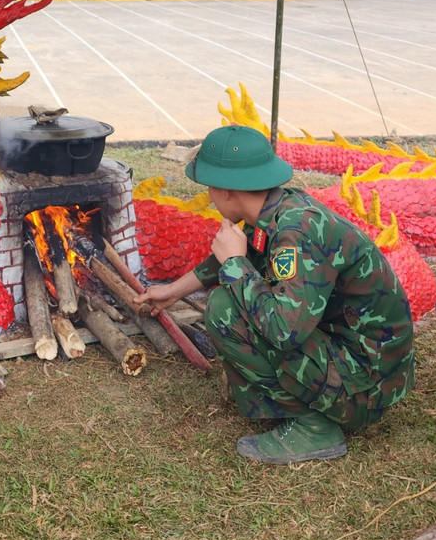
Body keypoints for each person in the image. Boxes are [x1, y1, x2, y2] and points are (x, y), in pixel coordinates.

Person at [135, 124, 415, 464]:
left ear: (226, 190)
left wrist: (236, 263)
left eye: (208, 186)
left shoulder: (296, 232)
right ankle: (302, 404)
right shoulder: (279, 209)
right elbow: (243, 254)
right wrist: (172, 292)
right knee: (235, 295)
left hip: (368, 386)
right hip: (364, 359)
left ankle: (316, 427)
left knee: (225, 309)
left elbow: (284, 331)